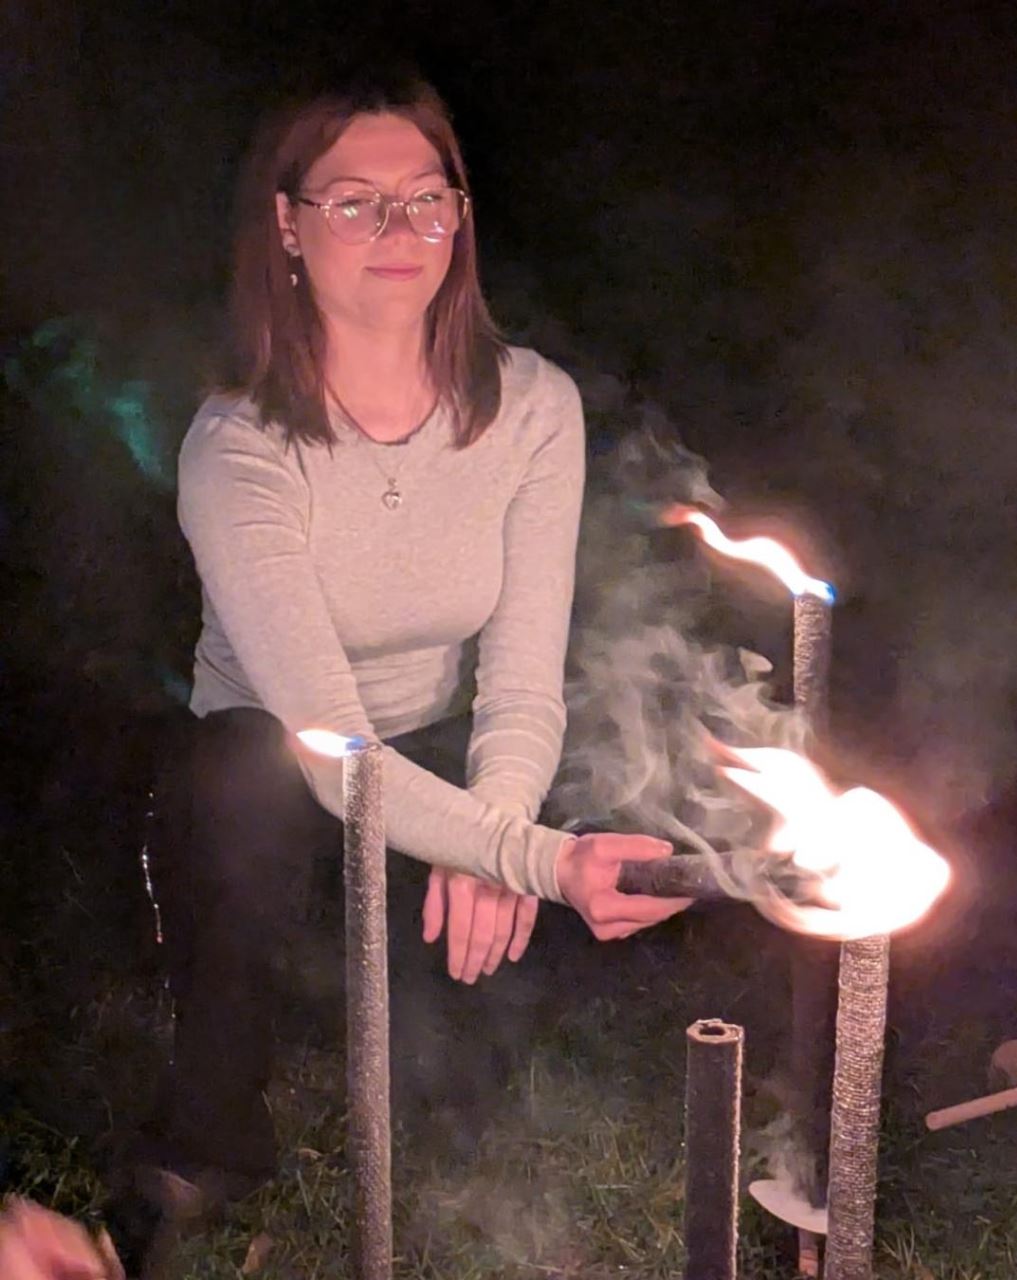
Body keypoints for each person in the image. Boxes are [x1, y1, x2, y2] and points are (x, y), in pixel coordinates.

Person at [116, 66, 690, 1255]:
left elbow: (521, 675)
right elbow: (329, 742)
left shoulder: (530, 406)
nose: (402, 230)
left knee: (460, 1073)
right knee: (233, 784)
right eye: (356, 202)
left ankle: (437, 993)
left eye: (428, 198)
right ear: (287, 224)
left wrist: (495, 825)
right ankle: (207, 1133)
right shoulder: (238, 445)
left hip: (437, 740)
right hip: (281, 758)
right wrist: (536, 860)